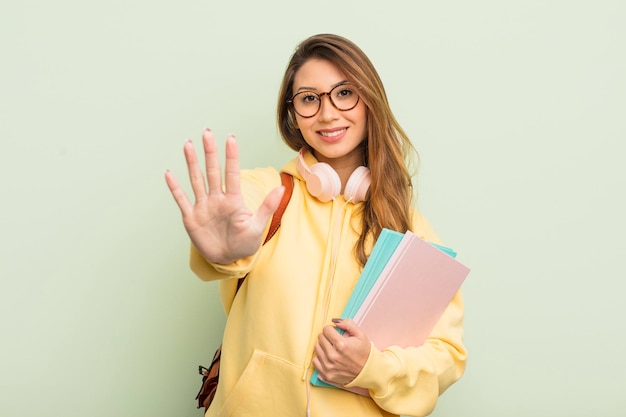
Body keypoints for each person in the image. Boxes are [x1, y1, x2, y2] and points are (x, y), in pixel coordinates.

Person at [165, 33, 466, 417]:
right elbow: (239, 217)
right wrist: (223, 253)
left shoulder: (412, 232)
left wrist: (371, 368)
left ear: (369, 100)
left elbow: (445, 356)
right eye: (309, 98)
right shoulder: (270, 193)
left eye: (344, 93)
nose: (327, 114)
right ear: (292, 113)